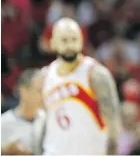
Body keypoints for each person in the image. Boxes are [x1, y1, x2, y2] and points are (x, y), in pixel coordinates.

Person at [37, 17, 122, 155]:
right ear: (53, 43)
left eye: (74, 39)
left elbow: (113, 118)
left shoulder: (95, 74)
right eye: (64, 40)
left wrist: (112, 151)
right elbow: (40, 121)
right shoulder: (44, 77)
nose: (70, 45)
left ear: (81, 41)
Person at [1, 68, 45, 155]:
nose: (44, 95)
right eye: (40, 90)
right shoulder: (3, 123)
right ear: (23, 91)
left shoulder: (46, 119)